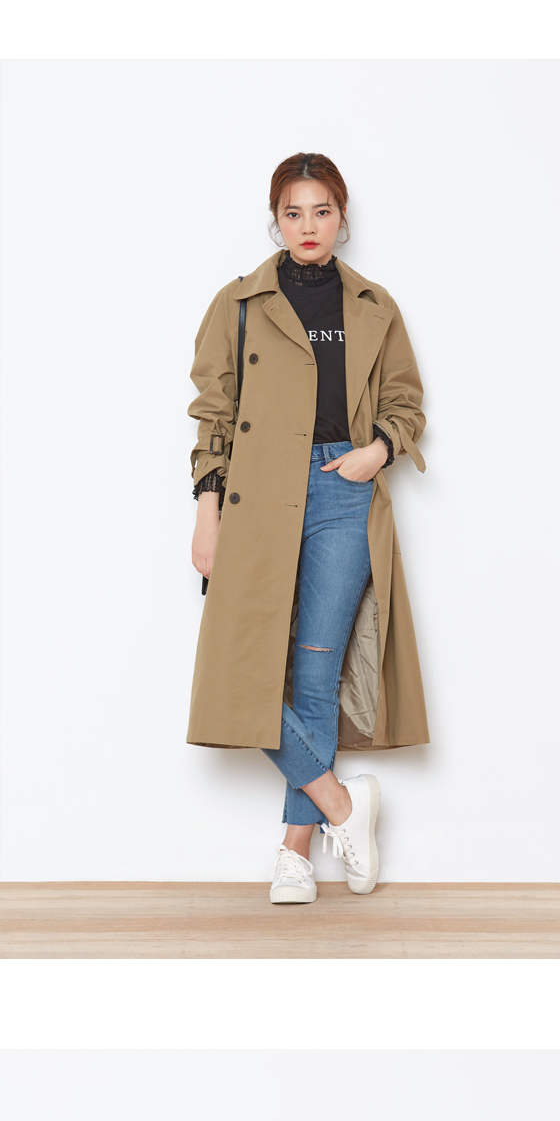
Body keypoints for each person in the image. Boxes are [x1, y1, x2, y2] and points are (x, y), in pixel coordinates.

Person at [188, 149, 428, 906]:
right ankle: (343, 805)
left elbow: (406, 401)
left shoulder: (374, 305)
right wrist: (207, 509)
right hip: (257, 496)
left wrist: (375, 452)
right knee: (242, 672)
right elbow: (213, 414)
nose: (308, 225)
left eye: (321, 210)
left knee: (316, 675)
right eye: (293, 212)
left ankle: (295, 852)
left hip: (341, 492)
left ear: (342, 217)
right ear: (276, 220)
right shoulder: (239, 303)